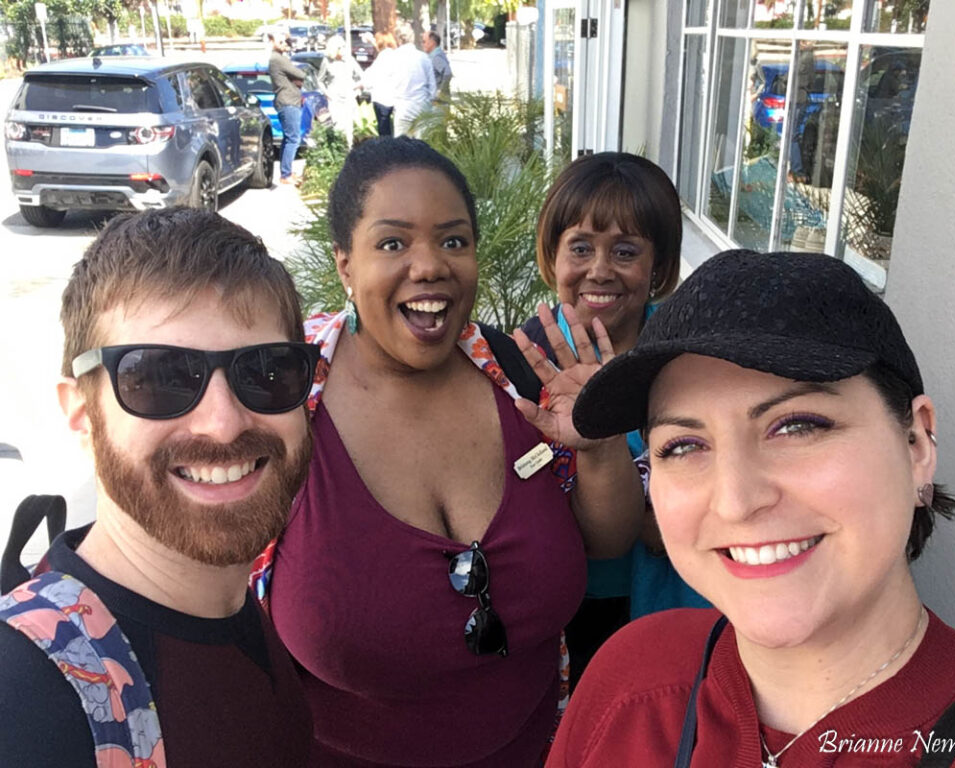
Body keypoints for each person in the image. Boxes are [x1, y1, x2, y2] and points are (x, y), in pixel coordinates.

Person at [253, 136, 644, 767]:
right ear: (344, 264)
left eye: (454, 240)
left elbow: (606, 541)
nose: (430, 264)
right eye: (392, 242)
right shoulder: (283, 400)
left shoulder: (520, 372)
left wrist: (596, 447)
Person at [549, 249, 955, 767]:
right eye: (684, 445)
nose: (736, 500)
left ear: (917, 443)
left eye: (799, 426)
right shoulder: (632, 679)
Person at [0, 208, 316, 766]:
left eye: (265, 370)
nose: (224, 423)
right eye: (158, 377)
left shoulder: (227, 605)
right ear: (81, 411)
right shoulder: (27, 697)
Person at [521, 151, 707, 690]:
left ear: (658, 268)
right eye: (580, 247)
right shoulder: (519, 362)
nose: (599, 269)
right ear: (552, 256)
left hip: (662, 606)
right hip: (558, 611)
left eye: (625, 251)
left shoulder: (687, 364)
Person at [268, 30, 307, 184]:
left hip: (289, 101)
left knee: (288, 138)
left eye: (286, 42)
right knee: (293, 139)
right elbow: (300, 74)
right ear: (272, 42)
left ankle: (286, 172)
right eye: (281, 41)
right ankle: (286, 175)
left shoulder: (280, 58)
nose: (285, 44)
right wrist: (296, 77)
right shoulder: (277, 59)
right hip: (288, 102)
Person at [389, 24, 436, 136]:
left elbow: (389, 83)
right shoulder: (424, 57)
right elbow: (432, 86)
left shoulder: (393, 58)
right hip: (422, 105)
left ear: (397, 39)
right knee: (422, 146)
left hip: (403, 106)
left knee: (401, 147)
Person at [320, 34, 363, 139]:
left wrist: (355, 89)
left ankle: (350, 150)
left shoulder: (349, 60)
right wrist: (327, 94)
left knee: (350, 129)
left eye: (344, 46)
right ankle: (340, 151)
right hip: (335, 100)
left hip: (348, 98)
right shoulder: (327, 61)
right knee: (338, 128)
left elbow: (362, 77)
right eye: (341, 47)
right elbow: (320, 80)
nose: (343, 49)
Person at [364, 31, 398, 136]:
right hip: (394, 97)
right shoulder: (394, 55)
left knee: (384, 129)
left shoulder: (382, 57)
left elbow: (371, 78)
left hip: (382, 98)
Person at [422, 29, 452, 104]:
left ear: (432, 43)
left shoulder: (436, 57)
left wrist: (440, 92)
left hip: (438, 102)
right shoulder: (435, 55)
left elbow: (448, 73)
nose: (423, 45)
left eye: (424, 42)